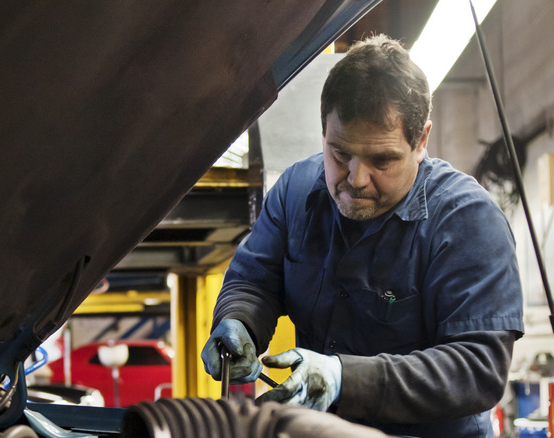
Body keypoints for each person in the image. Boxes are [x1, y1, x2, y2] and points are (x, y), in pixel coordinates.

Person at [201, 34, 523, 437]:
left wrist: (344, 378)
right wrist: (239, 322)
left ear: (421, 141)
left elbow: (478, 369)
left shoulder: (466, 222)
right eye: (339, 154)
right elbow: (254, 280)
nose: (356, 180)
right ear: (323, 133)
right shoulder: (295, 192)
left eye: (382, 160)